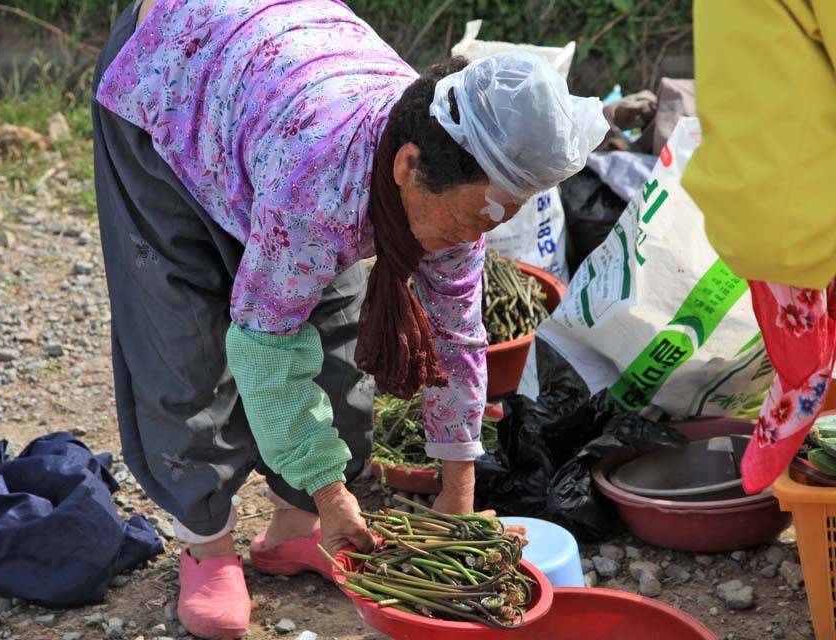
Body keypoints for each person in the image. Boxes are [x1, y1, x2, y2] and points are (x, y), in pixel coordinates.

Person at [91, 0, 607, 637]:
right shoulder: (319, 186)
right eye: (475, 215)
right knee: (186, 343)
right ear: (406, 168)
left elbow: (456, 339)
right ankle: (208, 544)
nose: (483, 233)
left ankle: (294, 523)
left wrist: (458, 489)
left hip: (277, 70)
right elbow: (266, 344)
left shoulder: (455, 189)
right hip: (174, 65)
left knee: (339, 336)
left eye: (498, 215)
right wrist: (334, 491)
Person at [683, 0, 836, 493]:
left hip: (753, 208)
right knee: (804, 355)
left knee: (803, 354)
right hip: (803, 205)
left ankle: (800, 388)